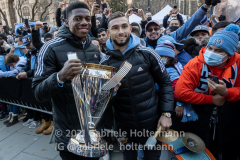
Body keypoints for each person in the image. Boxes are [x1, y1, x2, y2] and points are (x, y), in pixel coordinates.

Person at [100, 11, 174, 160]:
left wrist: (166, 113)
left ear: (129, 28)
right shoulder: (104, 64)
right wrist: (109, 93)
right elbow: (103, 100)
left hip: (153, 124)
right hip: (124, 127)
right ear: (108, 32)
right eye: (115, 28)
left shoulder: (148, 53)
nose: (120, 32)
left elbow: (165, 82)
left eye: (124, 26)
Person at [32, 2, 101, 160]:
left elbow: (95, 87)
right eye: (77, 18)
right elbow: (38, 92)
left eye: (87, 19)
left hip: (94, 131)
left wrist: (109, 86)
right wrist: (60, 77)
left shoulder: (93, 47)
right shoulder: (49, 48)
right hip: (69, 134)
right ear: (66, 22)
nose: (84, 22)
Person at [175, 24, 240, 152]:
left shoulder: (238, 63)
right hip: (199, 111)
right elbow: (181, 93)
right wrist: (211, 99)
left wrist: (227, 92)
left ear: (229, 54)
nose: (212, 53)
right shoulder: (195, 63)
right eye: (210, 48)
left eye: (218, 51)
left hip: (229, 114)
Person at [143, 3, 210, 49]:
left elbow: (188, 25)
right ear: (145, 33)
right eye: (150, 30)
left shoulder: (169, 38)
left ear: (160, 31)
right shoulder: (141, 44)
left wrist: (204, 8)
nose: (153, 31)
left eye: (156, 29)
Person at [0, 53, 27, 127]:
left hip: (21, 86)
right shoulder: (15, 63)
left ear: (15, 60)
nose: (12, 66)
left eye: (11, 64)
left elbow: (14, 73)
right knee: (10, 100)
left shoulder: (21, 61)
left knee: (14, 99)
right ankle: (11, 116)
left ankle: (14, 117)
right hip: (15, 85)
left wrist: (1, 74)